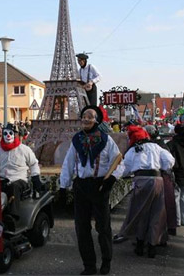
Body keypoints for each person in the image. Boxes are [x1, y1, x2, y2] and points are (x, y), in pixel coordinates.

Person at [60, 105, 123, 275]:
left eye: (90, 116)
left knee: (103, 227)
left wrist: (112, 178)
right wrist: (63, 185)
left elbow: (119, 162)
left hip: (99, 187)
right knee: (82, 227)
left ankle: (106, 261)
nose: (86, 119)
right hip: (81, 186)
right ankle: (89, 265)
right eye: (83, 116)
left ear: (97, 120)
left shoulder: (106, 140)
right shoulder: (76, 140)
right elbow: (68, 163)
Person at [115, 125, 175, 259]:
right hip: (158, 180)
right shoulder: (157, 147)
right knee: (157, 214)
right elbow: (169, 161)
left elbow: (125, 169)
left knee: (140, 212)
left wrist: (114, 176)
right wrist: (163, 168)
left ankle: (140, 245)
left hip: (141, 181)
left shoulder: (133, 151)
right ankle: (152, 246)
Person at [0, 123, 41, 224]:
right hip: (3, 180)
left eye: (11, 133)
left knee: (14, 187)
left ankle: (12, 217)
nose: (8, 136)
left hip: (19, 180)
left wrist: (35, 177)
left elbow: (33, 164)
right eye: (5, 133)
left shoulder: (24, 149)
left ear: (15, 134)